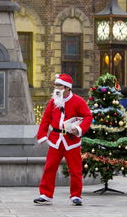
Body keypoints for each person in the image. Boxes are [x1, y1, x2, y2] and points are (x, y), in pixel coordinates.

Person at [34, 73, 93, 206]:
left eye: (59, 85)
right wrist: (42, 134)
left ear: (67, 88)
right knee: (49, 167)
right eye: (56, 85)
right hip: (55, 140)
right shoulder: (53, 102)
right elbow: (45, 119)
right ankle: (46, 194)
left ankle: (76, 195)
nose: (56, 88)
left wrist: (78, 129)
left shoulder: (78, 101)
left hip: (71, 140)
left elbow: (88, 116)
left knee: (75, 169)